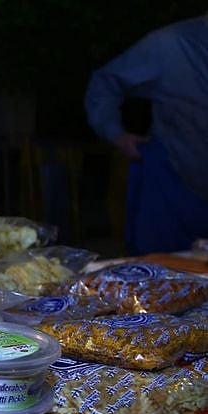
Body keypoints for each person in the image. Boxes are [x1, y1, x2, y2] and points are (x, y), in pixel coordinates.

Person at [84, 13, 208, 256]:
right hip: (174, 185)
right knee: (155, 279)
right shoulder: (169, 45)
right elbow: (104, 84)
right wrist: (116, 133)